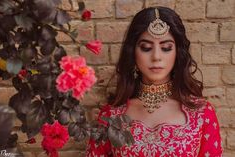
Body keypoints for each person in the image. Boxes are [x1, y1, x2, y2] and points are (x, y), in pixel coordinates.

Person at [86, 6, 223, 157]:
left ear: (178, 53)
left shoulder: (201, 114)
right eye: (146, 48)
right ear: (133, 52)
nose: (156, 57)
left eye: (166, 48)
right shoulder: (112, 114)